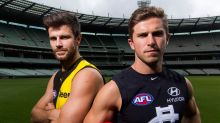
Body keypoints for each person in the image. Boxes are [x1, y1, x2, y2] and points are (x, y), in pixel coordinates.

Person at [84, 6, 201, 123]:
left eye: (157, 34)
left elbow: (192, 115)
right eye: (143, 35)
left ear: (167, 39)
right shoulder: (113, 90)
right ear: (131, 43)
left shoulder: (183, 84)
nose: (151, 42)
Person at [31, 12, 104, 123]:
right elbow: (34, 115)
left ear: (78, 39)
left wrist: (49, 114)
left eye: (64, 37)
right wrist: (53, 113)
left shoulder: (87, 74)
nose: (58, 44)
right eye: (53, 38)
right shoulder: (56, 76)